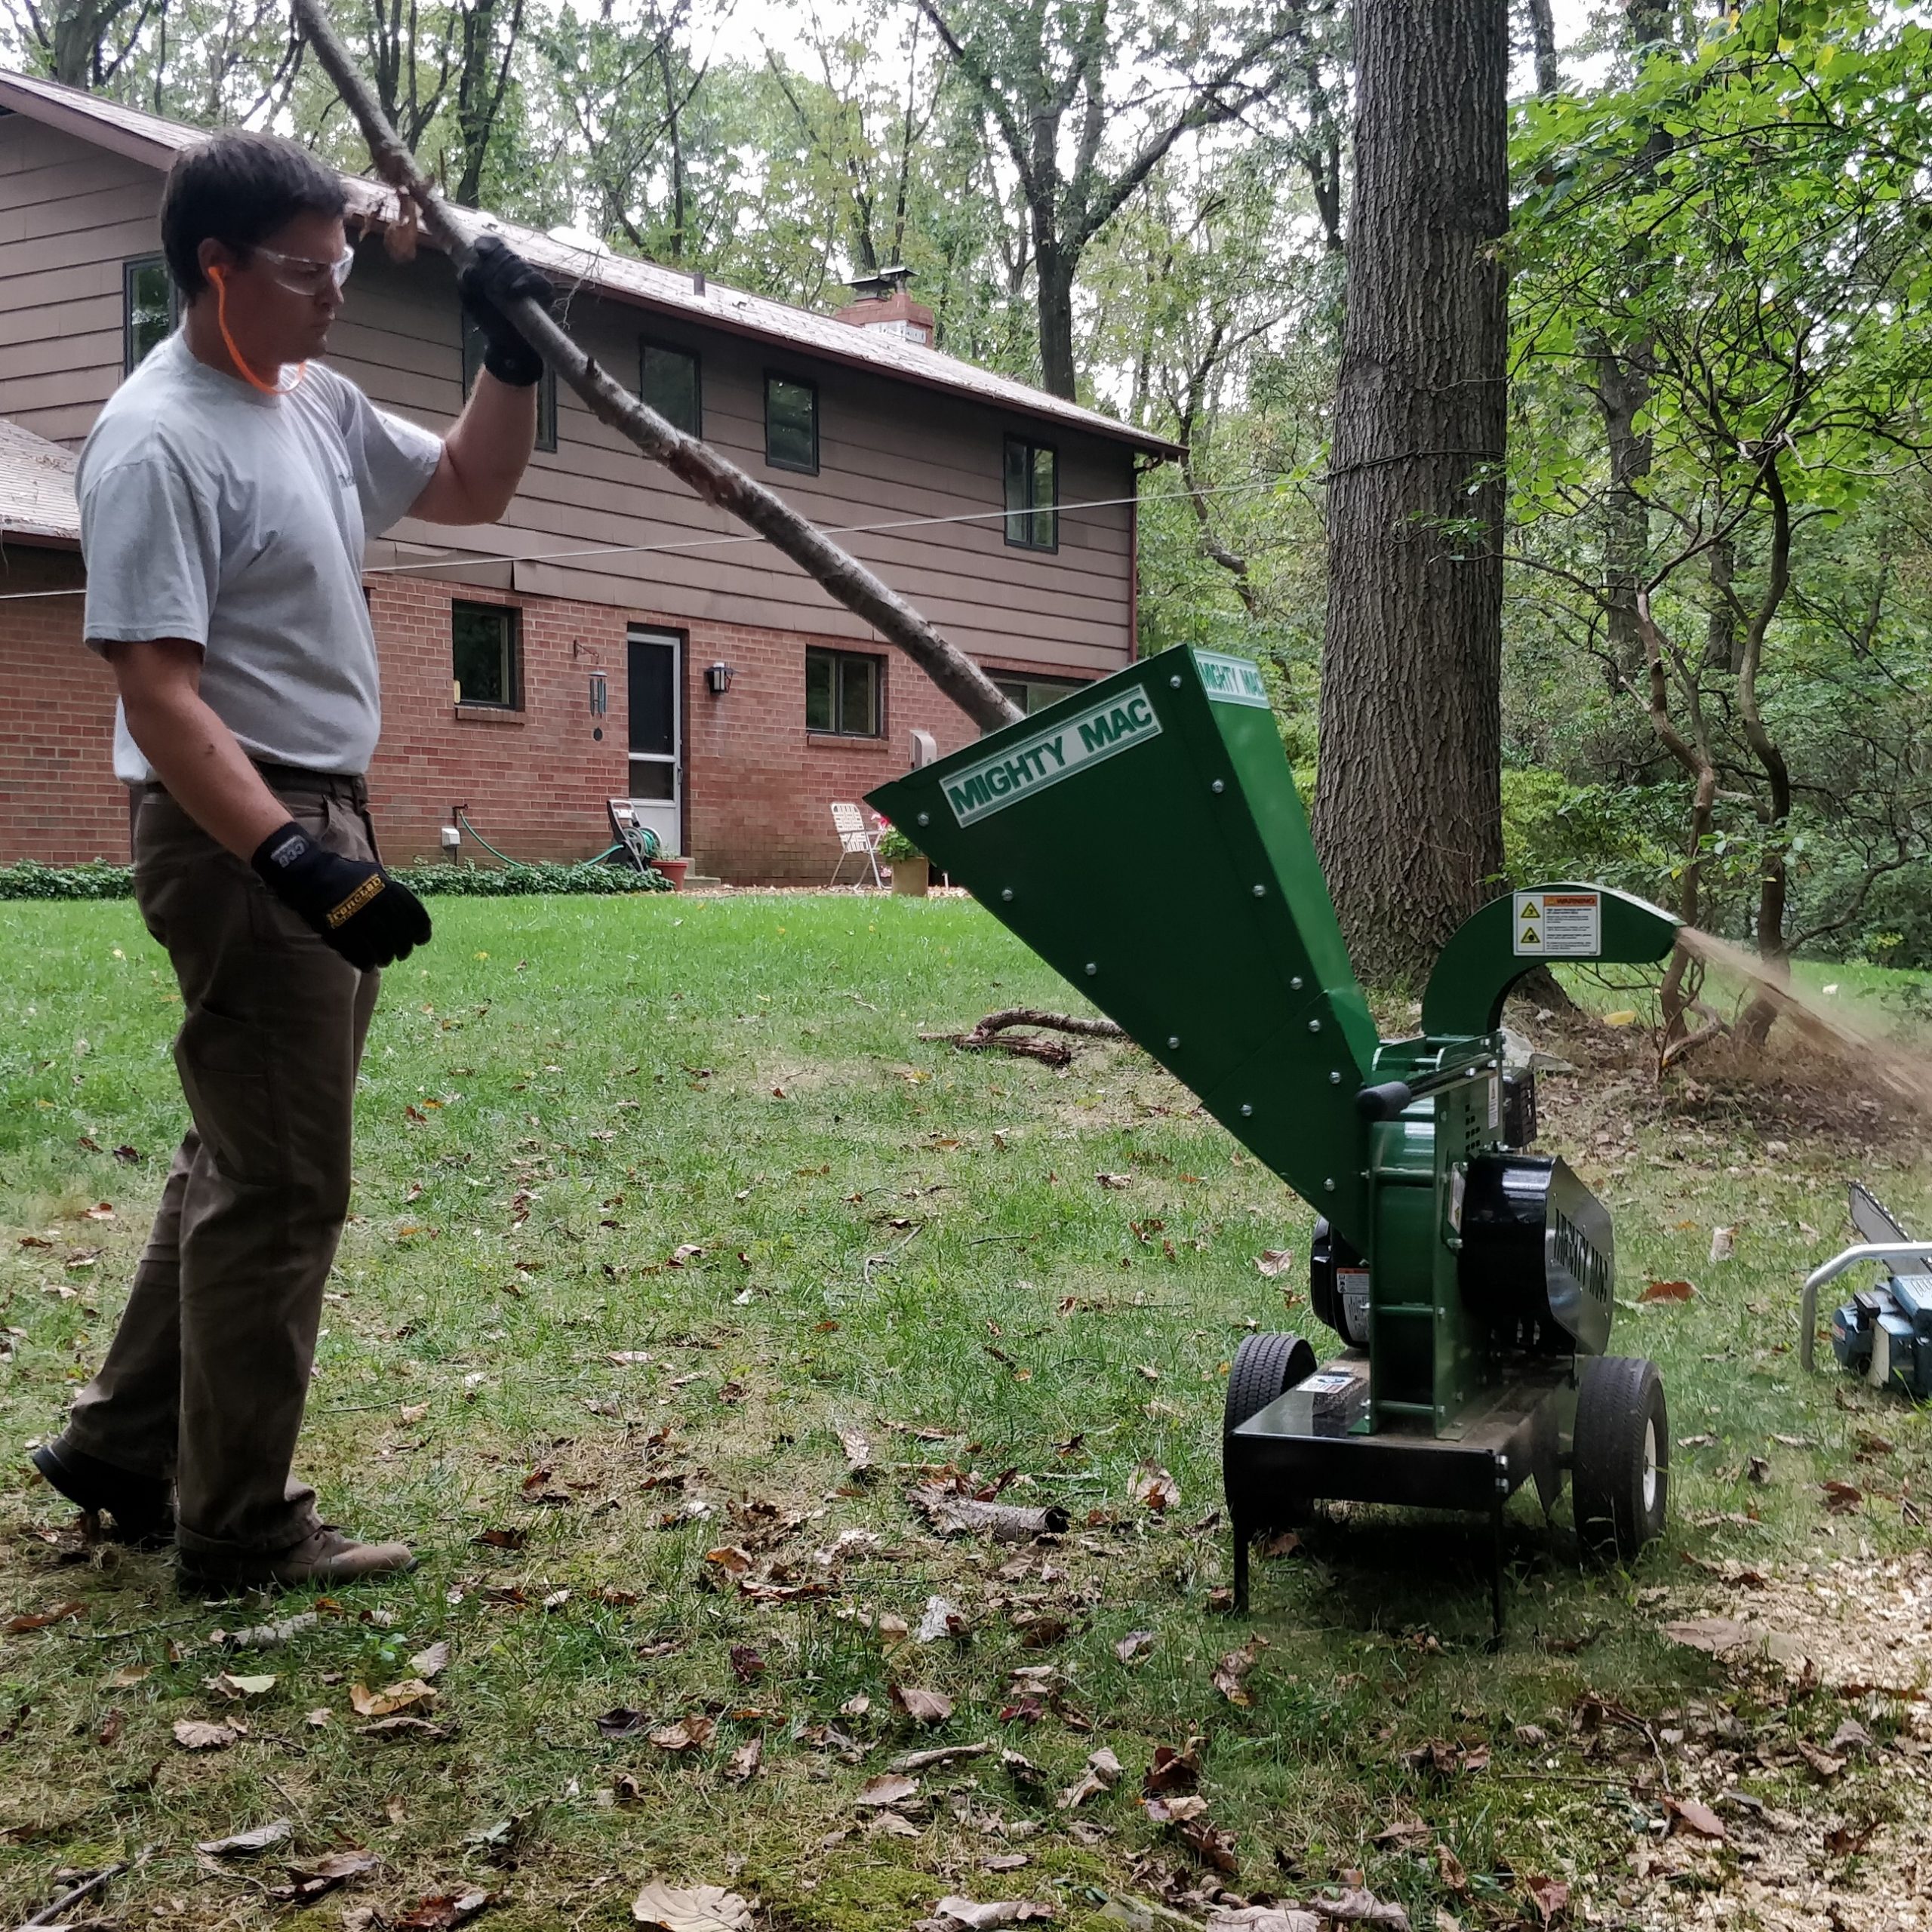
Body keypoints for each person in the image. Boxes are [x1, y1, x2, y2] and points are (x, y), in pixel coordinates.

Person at [29, 130, 553, 1591]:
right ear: (216, 265)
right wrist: (290, 859)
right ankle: (236, 1525)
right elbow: (158, 690)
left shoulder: (308, 399)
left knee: (239, 1158)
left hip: (319, 807)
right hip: (244, 829)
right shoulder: (158, 438)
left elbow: (464, 491)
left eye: (341, 265)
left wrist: (510, 357)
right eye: (307, 270)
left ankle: (125, 1445)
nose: (335, 294)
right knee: (283, 1185)